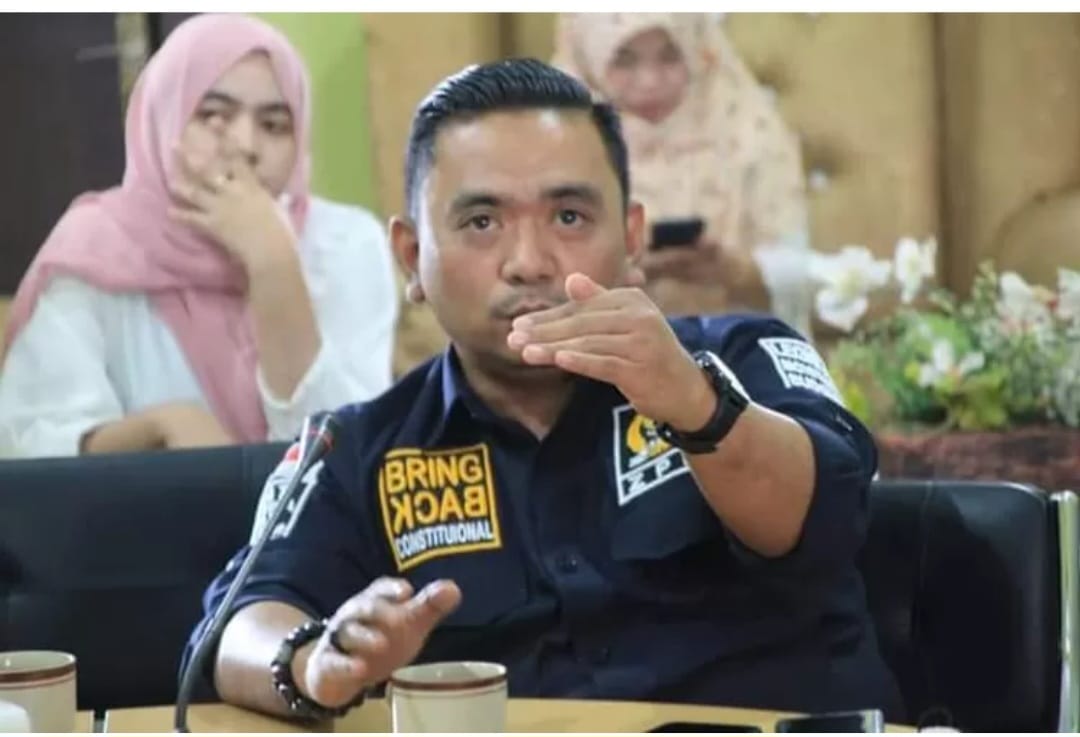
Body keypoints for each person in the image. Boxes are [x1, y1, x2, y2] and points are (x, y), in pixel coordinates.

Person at [190, 59, 903, 722]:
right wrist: (315, 663)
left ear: (632, 238)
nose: (529, 263)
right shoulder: (356, 448)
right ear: (411, 257)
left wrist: (698, 407)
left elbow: (829, 517)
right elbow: (238, 626)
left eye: (568, 217)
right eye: (481, 222)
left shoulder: (743, 357)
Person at [0, 14, 398, 459]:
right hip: (145, 507)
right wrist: (159, 427)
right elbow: (36, 443)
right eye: (213, 116)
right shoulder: (95, 249)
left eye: (273, 125)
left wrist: (274, 265)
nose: (245, 145)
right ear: (162, 120)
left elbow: (353, 455)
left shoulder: (342, 244)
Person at [552, 13, 814, 335]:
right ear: (588, 58)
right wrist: (618, 270)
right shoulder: (556, 144)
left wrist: (736, 272)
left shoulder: (750, 131)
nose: (650, 81)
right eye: (624, 60)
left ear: (696, 50)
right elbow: (533, 284)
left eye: (670, 56)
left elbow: (800, 276)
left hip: (736, 343)